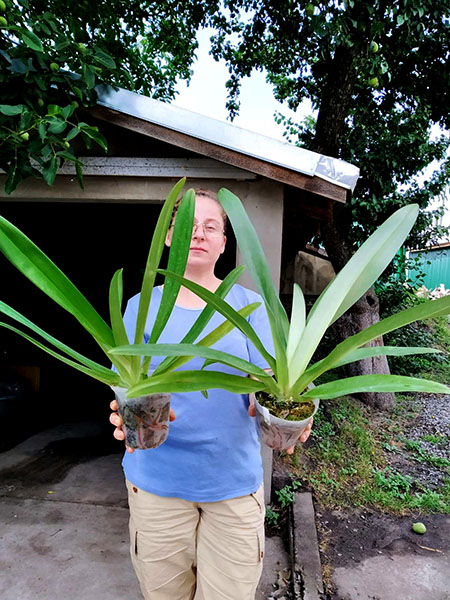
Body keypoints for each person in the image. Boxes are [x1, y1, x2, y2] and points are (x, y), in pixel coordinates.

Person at [109, 189, 312, 600]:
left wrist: (288, 412)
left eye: (210, 226)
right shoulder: (138, 308)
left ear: (224, 242)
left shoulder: (252, 307)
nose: (197, 234)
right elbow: (125, 388)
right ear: (169, 237)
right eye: (186, 224)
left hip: (233, 487)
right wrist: (120, 415)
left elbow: (277, 386)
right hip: (156, 485)